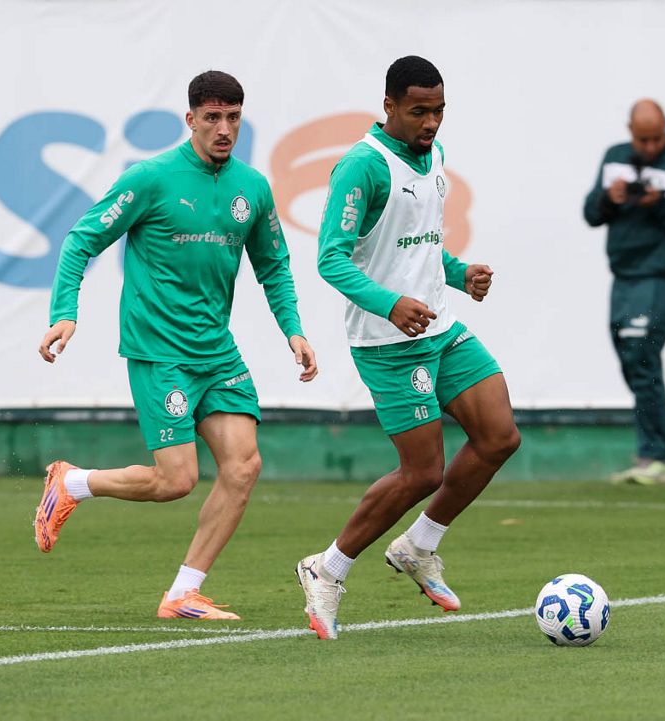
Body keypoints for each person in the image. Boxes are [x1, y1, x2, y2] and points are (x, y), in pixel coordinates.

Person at [34, 70, 317, 620]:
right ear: (190, 120)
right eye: (212, 118)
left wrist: (294, 329)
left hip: (217, 353)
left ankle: (183, 593)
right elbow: (80, 241)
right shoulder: (151, 178)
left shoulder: (252, 187)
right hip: (160, 351)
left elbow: (274, 266)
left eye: (233, 117)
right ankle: (71, 483)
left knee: (243, 467)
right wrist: (65, 313)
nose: (224, 129)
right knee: (176, 480)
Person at [295, 55, 520, 640]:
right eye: (419, 111)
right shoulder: (362, 167)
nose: (431, 122)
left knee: (499, 436)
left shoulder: (433, 155)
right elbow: (330, 258)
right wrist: (390, 303)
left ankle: (418, 546)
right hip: (388, 341)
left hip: (440, 327)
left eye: (439, 110)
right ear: (389, 106)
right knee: (422, 472)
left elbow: (418, 245)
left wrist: (459, 273)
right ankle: (327, 568)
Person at [583, 100, 665, 485]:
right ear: (630, 131)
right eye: (643, 140)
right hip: (625, 273)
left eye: (657, 138)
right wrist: (610, 198)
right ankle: (655, 455)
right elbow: (591, 214)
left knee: (641, 351)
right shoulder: (615, 158)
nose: (651, 147)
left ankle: (655, 457)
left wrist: (661, 205)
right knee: (631, 356)